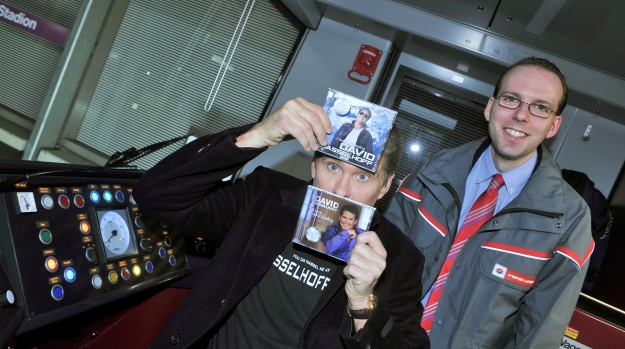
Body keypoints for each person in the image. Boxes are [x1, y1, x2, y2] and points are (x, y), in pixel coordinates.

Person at [134, 97, 430, 348]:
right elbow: (157, 196)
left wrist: (364, 304)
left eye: (362, 176)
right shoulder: (267, 195)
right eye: (332, 166)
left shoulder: (400, 259)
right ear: (313, 167)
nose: (341, 190)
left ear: (385, 185)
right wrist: (258, 135)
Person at [385, 57, 594, 348]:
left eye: (540, 107)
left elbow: (538, 335)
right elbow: (379, 262)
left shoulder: (569, 220)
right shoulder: (432, 172)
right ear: (490, 107)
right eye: (511, 99)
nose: (521, 115)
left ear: (553, 125)